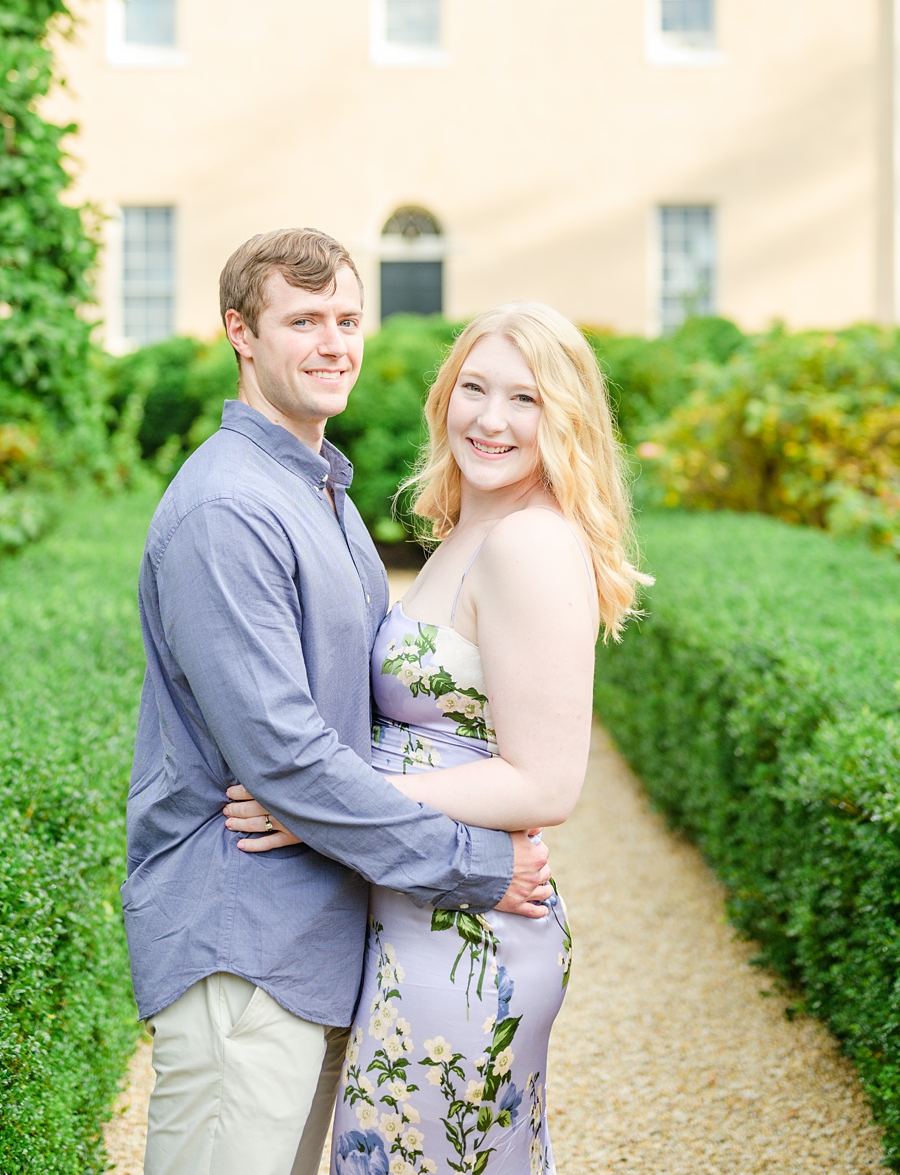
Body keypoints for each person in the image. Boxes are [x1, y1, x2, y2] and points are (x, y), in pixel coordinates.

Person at [127, 229, 556, 1175]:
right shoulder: (228, 510)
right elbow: (285, 763)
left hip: (319, 942)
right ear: (240, 332)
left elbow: (351, 738)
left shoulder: (322, 493)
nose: (333, 343)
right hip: (242, 946)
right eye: (303, 320)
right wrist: (473, 864)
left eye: (348, 319)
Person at [224, 300, 649, 1172]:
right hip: (422, 907)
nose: (491, 420)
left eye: (525, 400)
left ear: (565, 421)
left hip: (466, 936)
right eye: (474, 389)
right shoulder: (470, 530)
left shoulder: (530, 544)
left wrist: (323, 809)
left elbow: (544, 785)